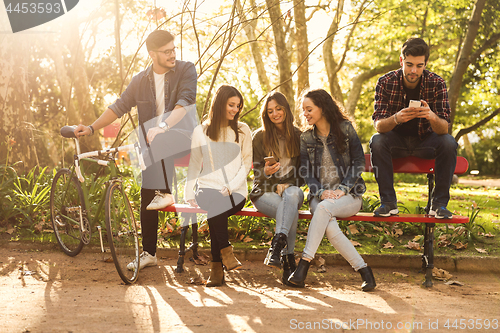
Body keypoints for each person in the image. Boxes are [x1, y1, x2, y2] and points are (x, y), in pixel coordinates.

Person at [73, 30, 197, 270]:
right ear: (152, 54)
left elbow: (185, 103)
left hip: (183, 139)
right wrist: (91, 128)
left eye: (174, 49)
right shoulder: (140, 80)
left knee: (155, 140)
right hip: (154, 145)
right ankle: (149, 253)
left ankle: (167, 192)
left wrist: (162, 126)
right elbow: (119, 106)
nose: (173, 54)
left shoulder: (185, 69)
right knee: (147, 195)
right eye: (167, 51)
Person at [288, 89, 376, 291]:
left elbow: (359, 162)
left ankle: (303, 266)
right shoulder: (306, 138)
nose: (305, 114)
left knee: (324, 209)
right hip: (320, 198)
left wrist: (343, 189)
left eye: (309, 109)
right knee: (329, 224)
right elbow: (306, 172)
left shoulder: (345, 129)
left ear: (323, 108)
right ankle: (364, 271)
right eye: (304, 110)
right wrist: (320, 192)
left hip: (349, 196)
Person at [370, 37, 457, 218]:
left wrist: (431, 116)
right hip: (396, 142)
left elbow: (444, 129)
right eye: (409, 64)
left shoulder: (437, 83)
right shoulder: (385, 82)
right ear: (401, 60)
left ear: (425, 63)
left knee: (449, 142)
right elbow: (378, 125)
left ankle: (439, 205)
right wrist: (396, 118)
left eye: (419, 65)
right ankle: (388, 203)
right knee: (377, 141)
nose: (413, 70)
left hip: (426, 142)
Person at [184, 85, 252, 287]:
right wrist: (189, 192)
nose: (235, 110)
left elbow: (246, 163)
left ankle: (217, 268)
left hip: (236, 191)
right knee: (215, 205)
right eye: (231, 105)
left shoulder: (243, 130)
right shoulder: (201, 131)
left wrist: (231, 186)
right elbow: (195, 163)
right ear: (220, 103)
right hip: (207, 190)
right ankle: (226, 253)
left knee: (216, 210)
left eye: (238, 106)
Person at [250, 91, 304, 286]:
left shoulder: (299, 136)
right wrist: (265, 171)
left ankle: (276, 249)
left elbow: (304, 173)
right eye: (270, 111)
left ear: (286, 109)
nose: (275, 114)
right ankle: (288, 260)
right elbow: (256, 174)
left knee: (291, 194)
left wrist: (289, 184)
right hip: (264, 192)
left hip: (292, 190)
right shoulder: (259, 136)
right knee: (290, 209)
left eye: (278, 109)